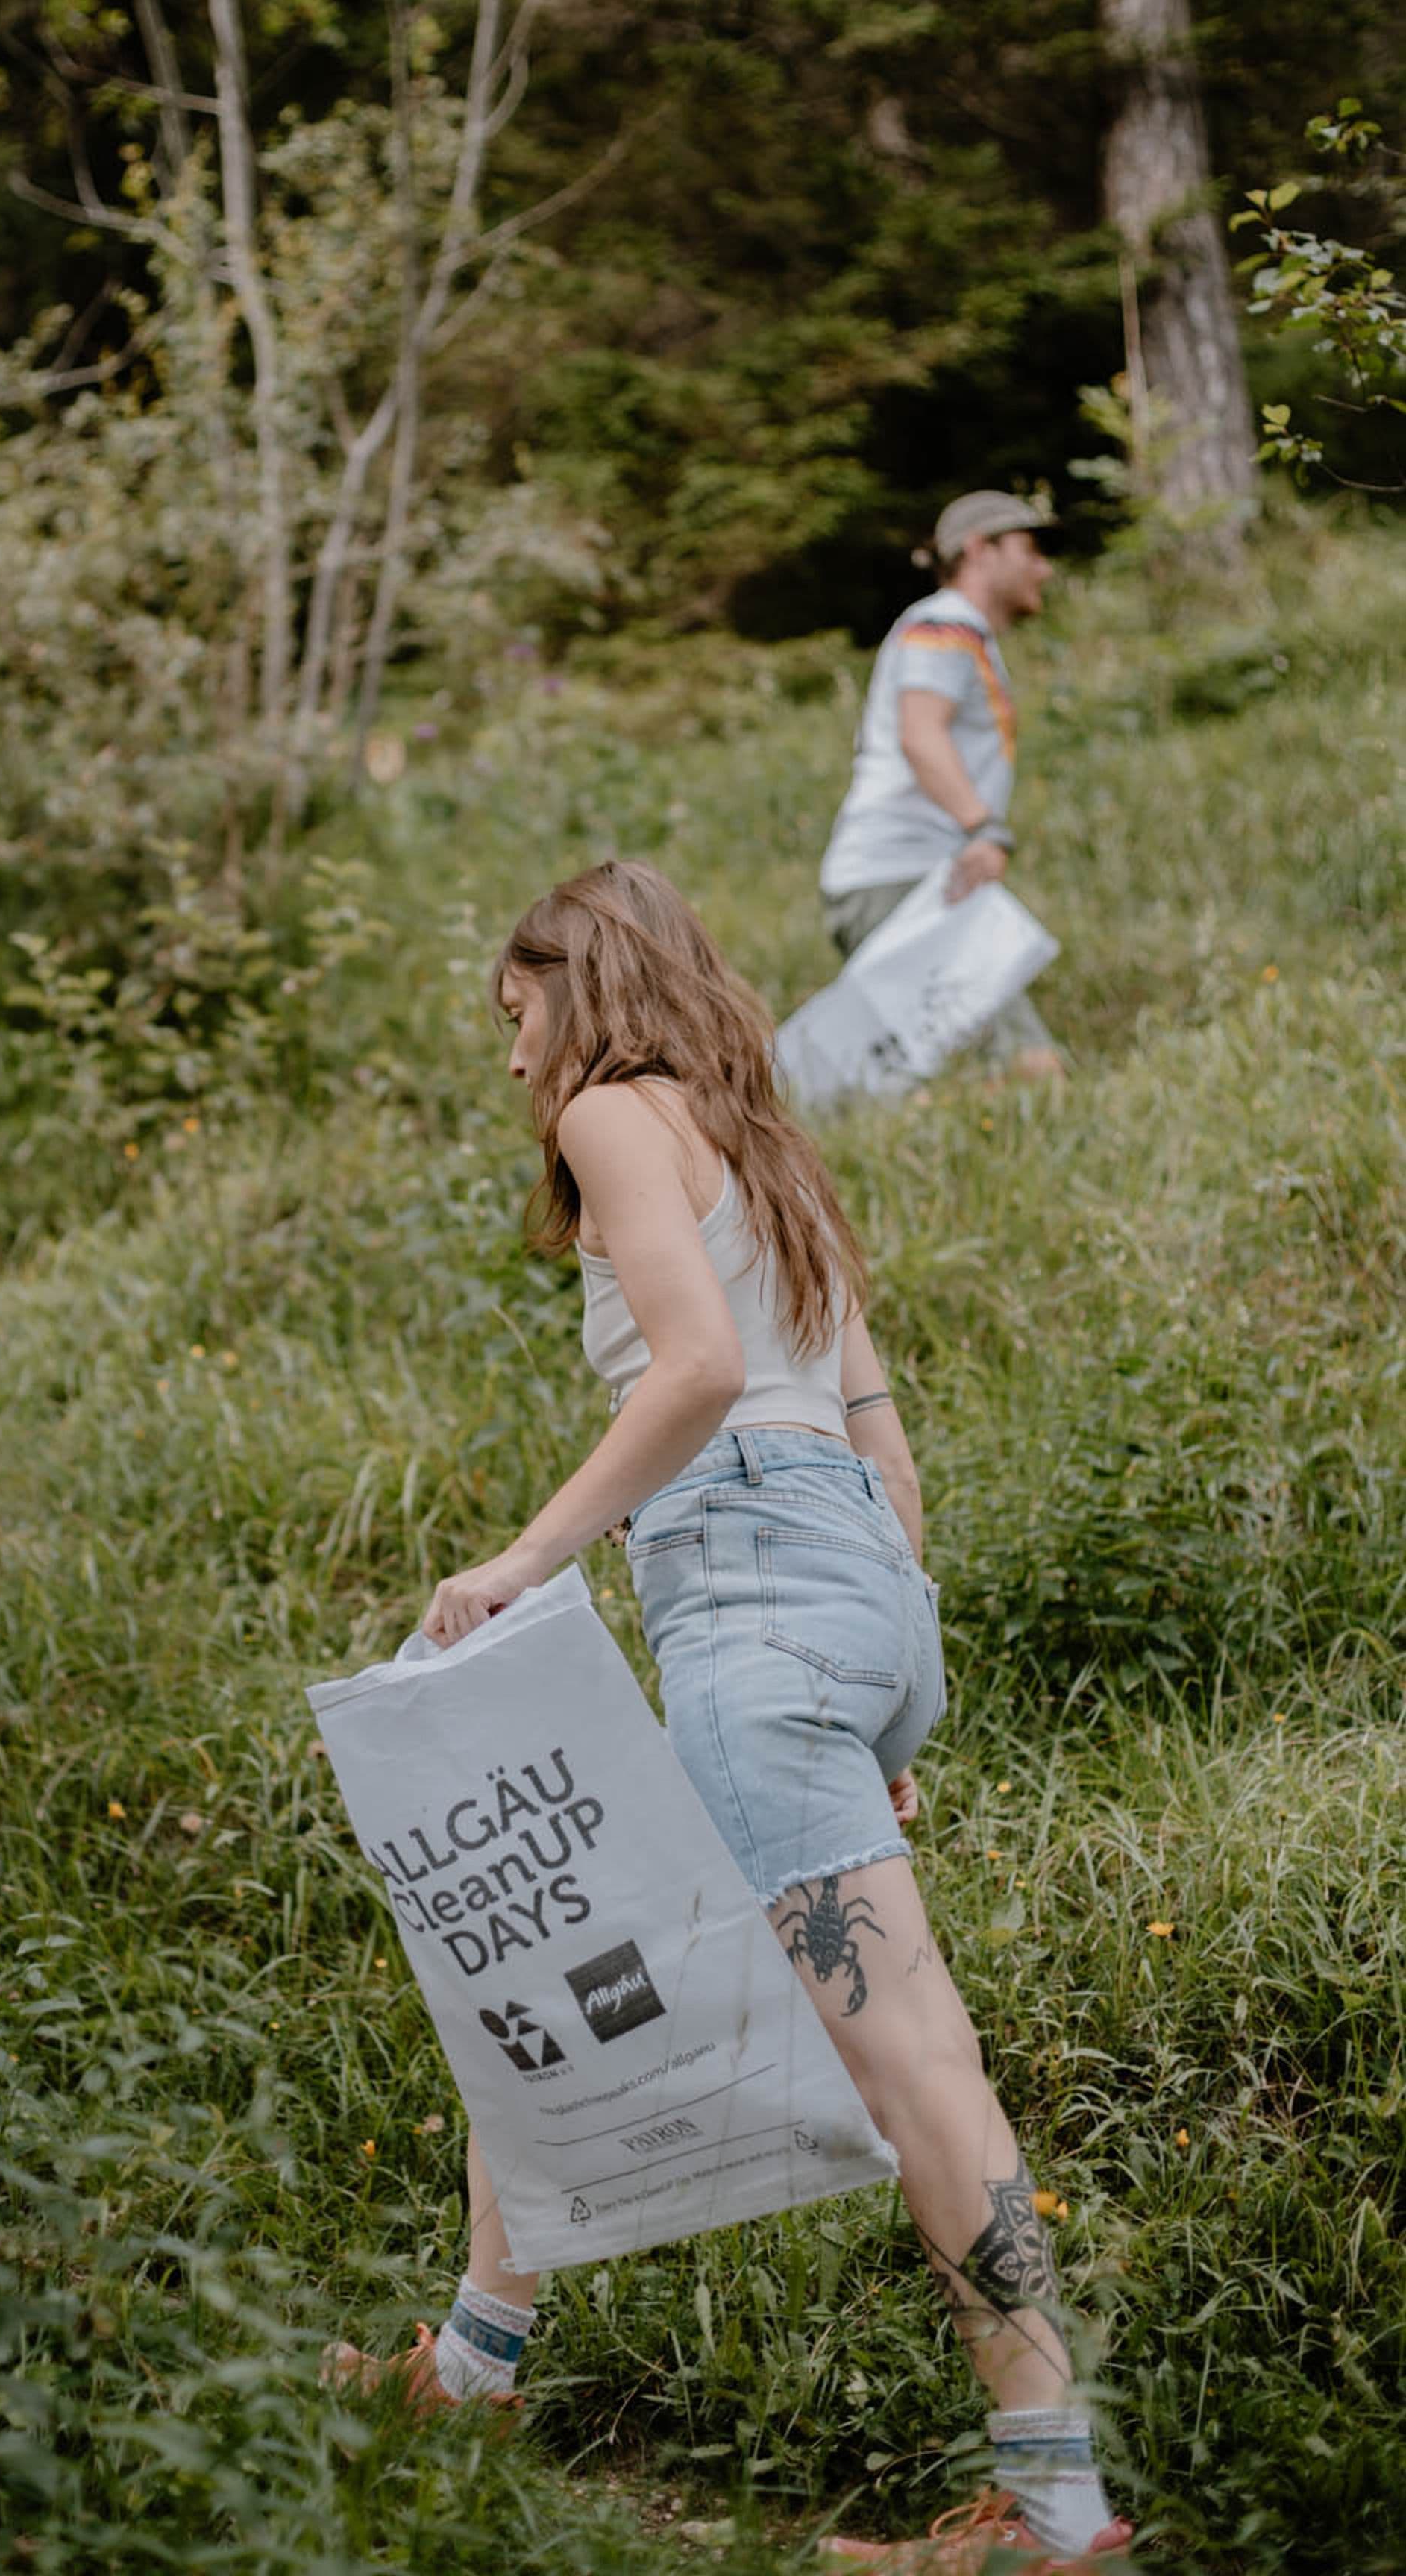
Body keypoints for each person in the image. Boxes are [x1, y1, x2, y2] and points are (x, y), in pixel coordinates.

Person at [329, 862, 1130, 2572]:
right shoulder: (768, 1147)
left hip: (749, 1595)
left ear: (579, 981)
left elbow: (690, 1368)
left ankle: (1051, 2515)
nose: (510, 1052)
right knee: (545, 1948)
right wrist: (884, 1713)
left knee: (906, 2063)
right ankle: (472, 2362)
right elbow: (881, 1443)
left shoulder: (617, 1111)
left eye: (512, 1011)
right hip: (854, 1593)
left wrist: (524, 1558)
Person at [819, 491, 1064, 1081]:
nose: (1044, 569)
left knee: (941, 1081)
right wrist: (985, 828)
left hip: (905, 877)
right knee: (1029, 1070)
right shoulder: (944, 626)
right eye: (1030, 549)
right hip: (900, 878)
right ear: (979, 550)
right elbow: (920, 736)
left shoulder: (956, 632)